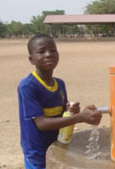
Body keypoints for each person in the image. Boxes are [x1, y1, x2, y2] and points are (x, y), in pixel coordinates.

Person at [18, 34, 102, 169]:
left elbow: (63, 114)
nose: (48, 55)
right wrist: (80, 118)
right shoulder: (28, 86)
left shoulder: (60, 84)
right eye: (41, 51)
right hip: (37, 151)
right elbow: (42, 124)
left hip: (56, 143)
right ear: (31, 59)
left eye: (53, 50)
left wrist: (71, 111)